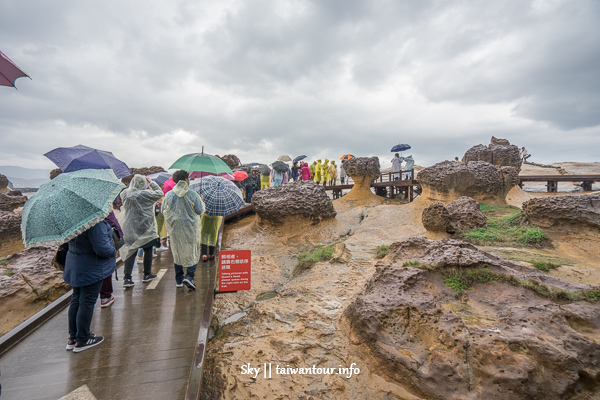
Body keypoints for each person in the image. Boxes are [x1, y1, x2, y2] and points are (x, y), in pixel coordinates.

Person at [64, 219, 116, 352]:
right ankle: (83, 338)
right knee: (86, 301)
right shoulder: (93, 222)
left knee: (76, 299)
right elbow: (102, 248)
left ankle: (73, 338)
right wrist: (113, 250)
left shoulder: (72, 221)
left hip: (75, 264)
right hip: (91, 267)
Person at [162, 170, 206, 290]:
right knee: (193, 250)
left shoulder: (169, 195)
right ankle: (190, 276)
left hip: (175, 229)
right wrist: (201, 201)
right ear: (186, 180)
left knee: (178, 252)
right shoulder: (193, 194)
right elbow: (199, 211)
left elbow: (163, 210)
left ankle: (179, 280)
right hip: (191, 228)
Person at [119, 175, 164, 288]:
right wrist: (151, 183)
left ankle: (127, 278)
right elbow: (160, 193)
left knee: (131, 252)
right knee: (148, 250)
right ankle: (147, 274)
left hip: (130, 227)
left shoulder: (125, 193)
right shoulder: (145, 194)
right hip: (145, 227)